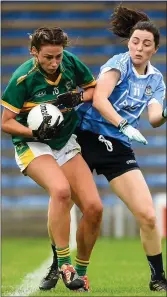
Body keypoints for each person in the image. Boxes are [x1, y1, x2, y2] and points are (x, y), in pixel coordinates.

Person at [43, 5, 167, 292]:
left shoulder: (156, 80)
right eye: (135, 41)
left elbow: (154, 118)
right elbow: (99, 100)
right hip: (85, 137)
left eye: (146, 44)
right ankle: (56, 266)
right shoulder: (118, 63)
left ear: (154, 49)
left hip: (118, 147)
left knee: (148, 215)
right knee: (67, 203)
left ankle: (158, 277)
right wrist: (124, 124)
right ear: (129, 42)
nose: (138, 47)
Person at [1, 27, 103, 292]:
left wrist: (79, 96)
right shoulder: (22, 78)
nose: (55, 62)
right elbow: (6, 123)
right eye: (48, 57)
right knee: (60, 191)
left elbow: (95, 91)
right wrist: (35, 131)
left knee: (94, 208)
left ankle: (80, 273)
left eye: (58, 56)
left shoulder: (70, 63)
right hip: (32, 143)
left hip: (65, 141)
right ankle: (64, 265)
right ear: (34, 52)